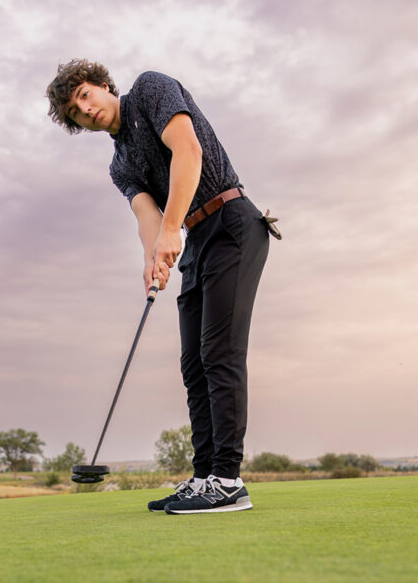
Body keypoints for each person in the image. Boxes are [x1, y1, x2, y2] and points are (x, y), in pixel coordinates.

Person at [46, 60, 278, 514]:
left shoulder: (150, 90)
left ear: (103, 86)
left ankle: (229, 480)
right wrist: (153, 260)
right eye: (74, 111)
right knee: (193, 364)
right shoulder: (119, 165)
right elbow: (147, 218)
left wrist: (172, 231)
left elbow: (188, 152)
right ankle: (205, 476)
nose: (85, 109)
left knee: (219, 353)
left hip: (231, 221)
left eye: (86, 95)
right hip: (195, 239)